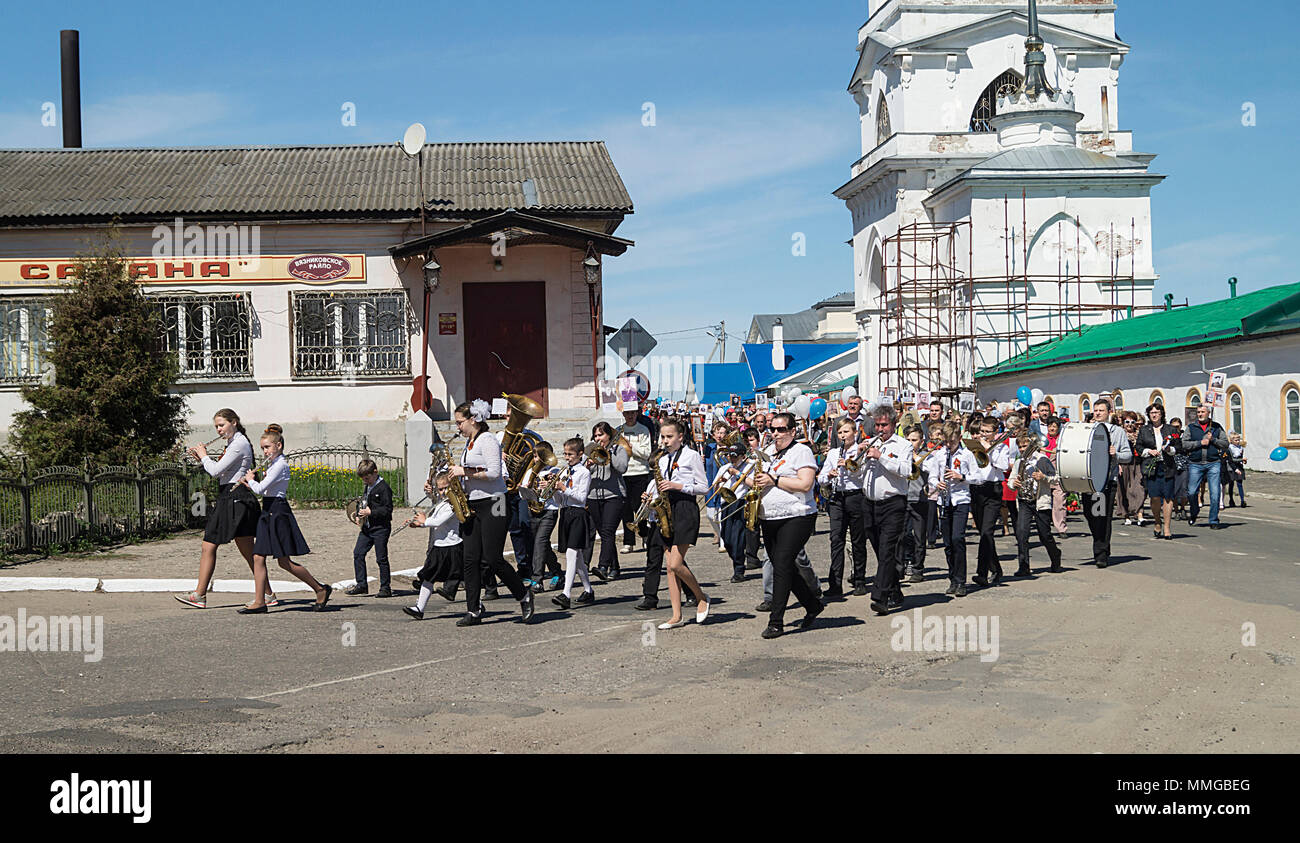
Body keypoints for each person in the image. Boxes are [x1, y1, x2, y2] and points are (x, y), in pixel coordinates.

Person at [448, 399, 535, 626]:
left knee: (493, 558)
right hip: (474, 503)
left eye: (460, 422)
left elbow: (495, 473)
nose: (457, 427)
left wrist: (463, 472)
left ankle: (523, 595)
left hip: (495, 502)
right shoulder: (470, 443)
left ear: (473, 419)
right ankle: (473, 610)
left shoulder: (487, 440)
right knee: (470, 558)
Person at [233, 424, 332, 613]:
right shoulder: (272, 465)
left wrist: (250, 479)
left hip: (278, 512)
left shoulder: (281, 465)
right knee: (258, 557)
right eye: (262, 448)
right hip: (267, 511)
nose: (264, 451)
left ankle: (320, 588)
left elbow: (261, 490)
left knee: (284, 562)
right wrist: (250, 483)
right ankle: (260, 601)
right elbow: (263, 489)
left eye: (267, 447)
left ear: (278, 446)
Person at [175, 408, 267, 609]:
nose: (218, 430)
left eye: (222, 425)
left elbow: (216, 472)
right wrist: (202, 459)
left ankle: (199, 594)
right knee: (247, 550)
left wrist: (203, 455)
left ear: (234, 422)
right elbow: (222, 471)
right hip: (234, 497)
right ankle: (267, 593)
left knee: (208, 544)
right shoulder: (234, 443)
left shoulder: (239, 443)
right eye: (216, 426)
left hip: (233, 498)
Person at [752, 412, 822, 638]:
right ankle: (812, 605)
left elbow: (805, 484)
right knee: (785, 567)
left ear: (793, 431)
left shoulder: (802, 451)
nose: (775, 434)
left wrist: (775, 481)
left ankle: (776, 621)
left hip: (797, 515)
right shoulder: (769, 452)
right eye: (773, 429)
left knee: (781, 563)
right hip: (769, 516)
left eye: (781, 429)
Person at [639, 419, 711, 628]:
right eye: (663, 437)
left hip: (685, 510)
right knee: (670, 569)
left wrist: (677, 485)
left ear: (681, 437)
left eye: (670, 437)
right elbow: (661, 486)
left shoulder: (692, 456)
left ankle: (701, 597)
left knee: (675, 564)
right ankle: (676, 615)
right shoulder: (662, 460)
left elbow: (703, 487)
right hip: (668, 510)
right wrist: (650, 496)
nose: (665, 441)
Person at [859, 404, 910, 614]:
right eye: (877, 425)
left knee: (887, 549)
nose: (880, 430)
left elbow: (907, 470)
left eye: (884, 425)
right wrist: (859, 456)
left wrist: (881, 457)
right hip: (869, 503)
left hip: (893, 503)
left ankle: (880, 597)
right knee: (881, 552)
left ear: (893, 424)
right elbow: (857, 473)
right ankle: (894, 589)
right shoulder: (870, 443)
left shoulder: (903, 445)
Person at [817, 417, 869, 598]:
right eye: (840, 432)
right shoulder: (833, 453)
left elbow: (863, 475)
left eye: (846, 431)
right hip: (838, 497)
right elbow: (821, 477)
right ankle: (835, 583)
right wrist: (829, 475)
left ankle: (860, 579)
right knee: (836, 539)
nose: (843, 435)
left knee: (857, 540)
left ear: (855, 432)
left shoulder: (861, 450)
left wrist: (849, 466)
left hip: (856, 496)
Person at [924, 422, 975, 596]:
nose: (948, 445)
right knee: (947, 544)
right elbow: (931, 476)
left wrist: (961, 476)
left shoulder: (967, 455)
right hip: (944, 501)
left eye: (952, 442)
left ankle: (961, 581)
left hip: (961, 500)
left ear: (959, 438)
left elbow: (978, 477)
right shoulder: (939, 455)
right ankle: (952, 578)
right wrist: (936, 483)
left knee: (957, 539)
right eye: (946, 442)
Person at [404, 473, 464, 616]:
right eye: (440, 489)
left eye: (445, 489)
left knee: (464, 578)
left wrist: (423, 521)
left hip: (453, 547)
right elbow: (433, 520)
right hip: (439, 547)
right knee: (428, 577)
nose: (442, 492)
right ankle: (419, 608)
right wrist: (417, 524)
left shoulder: (454, 504)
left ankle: (477, 606)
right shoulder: (441, 503)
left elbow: (437, 522)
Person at [1084, 398, 1133, 567]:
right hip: (1087, 480)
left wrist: (1116, 454)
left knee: (1102, 517)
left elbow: (1128, 455)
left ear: (1109, 412)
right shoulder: (1087, 429)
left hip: (1106, 480)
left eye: (1101, 410)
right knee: (1090, 515)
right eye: (1095, 410)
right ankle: (1101, 543)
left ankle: (1101, 554)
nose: (1097, 413)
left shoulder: (1117, 432)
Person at [1007, 431, 1063, 574]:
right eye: (1019, 446)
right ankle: (1024, 566)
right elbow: (1010, 481)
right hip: (1024, 501)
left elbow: (1056, 478)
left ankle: (1055, 555)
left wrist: (1043, 477)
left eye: (1025, 446)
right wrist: (1015, 483)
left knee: (1044, 535)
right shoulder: (1019, 462)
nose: (1022, 449)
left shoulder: (1042, 459)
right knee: (1021, 533)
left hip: (1040, 502)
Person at [552, 437, 597, 610]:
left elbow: (580, 498)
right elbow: (560, 500)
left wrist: (564, 488)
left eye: (570, 454)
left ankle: (566, 594)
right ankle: (588, 590)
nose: (567, 457)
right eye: (565, 454)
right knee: (576, 557)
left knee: (571, 553)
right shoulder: (565, 472)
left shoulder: (584, 473)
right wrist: (555, 490)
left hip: (578, 514)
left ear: (580, 454)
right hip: (565, 513)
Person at [967, 417, 1012, 587]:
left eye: (987, 432)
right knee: (983, 532)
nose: (984, 435)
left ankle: (981, 573)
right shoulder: (974, 445)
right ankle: (996, 569)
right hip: (977, 489)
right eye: (982, 432)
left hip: (993, 490)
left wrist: (989, 450)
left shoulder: (1002, 448)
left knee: (987, 532)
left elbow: (1003, 466)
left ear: (995, 432)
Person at [585, 422, 630, 581]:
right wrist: (587, 465)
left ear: (609, 436)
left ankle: (603, 566)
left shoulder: (619, 450)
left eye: (601, 435)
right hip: (593, 497)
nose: (598, 438)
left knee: (608, 531)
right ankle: (615, 567)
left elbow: (622, 468)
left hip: (614, 495)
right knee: (604, 534)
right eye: (596, 435)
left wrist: (609, 455)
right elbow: (582, 473)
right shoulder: (590, 451)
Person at [343, 459, 394, 597]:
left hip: (380, 528)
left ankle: (385, 587)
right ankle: (361, 584)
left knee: (381, 558)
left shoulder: (384, 488)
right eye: (363, 479)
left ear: (375, 472)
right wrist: (360, 514)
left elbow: (388, 510)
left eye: (368, 478)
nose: (366, 481)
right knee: (358, 554)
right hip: (367, 528)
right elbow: (364, 501)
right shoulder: (368, 486)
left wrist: (371, 512)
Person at [1136, 402, 1180, 541]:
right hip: (1151, 467)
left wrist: (1170, 450)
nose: (1154, 415)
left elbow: (1179, 446)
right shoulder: (1144, 430)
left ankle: (1167, 527)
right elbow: (1138, 447)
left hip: (1167, 466)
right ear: (1149, 415)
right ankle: (1157, 521)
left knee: (1168, 497)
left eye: (1157, 412)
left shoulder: (1171, 429)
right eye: (1152, 413)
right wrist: (1148, 451)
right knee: (1155, 497)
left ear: (1162, 414)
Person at [1182, 404, 1229, 530]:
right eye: (1198, 412)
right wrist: (1200, 443)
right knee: (1191, 492)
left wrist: (1213, 440)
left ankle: (1213, 519)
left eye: (1203, 412)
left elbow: (1225, 444)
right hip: (1195, 463)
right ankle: (1194, 511)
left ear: (1208, 413)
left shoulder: (1216, 427)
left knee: (1215, 493)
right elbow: (1184, 444)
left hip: (1213, 462)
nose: (1200, 414)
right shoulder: (1191, 427)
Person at [898, 425, 931, 584]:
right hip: (903, 497)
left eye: (914, 440)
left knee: (919, 536)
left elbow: (929, 469)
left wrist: (916, 458)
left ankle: (918, 569)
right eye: (908, 440)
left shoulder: (926, 455)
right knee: (902, 535)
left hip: (919, 499)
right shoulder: (901, 454)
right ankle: (902, 564)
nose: (911, 443)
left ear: (921, 441)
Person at [618, 408, 654, 554]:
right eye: (627, 413)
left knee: (640, 507)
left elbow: (647, 453)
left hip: (640, 472)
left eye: (633, 413)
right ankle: (628, 542)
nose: (630, 416)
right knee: (625, 509)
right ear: (623, 415)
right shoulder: (619, 431)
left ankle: (644, 536)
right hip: (624, 473)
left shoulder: (643, 429)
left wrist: (631, 448)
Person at [702, 421, 730, 554]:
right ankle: (719, 534)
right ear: (713, 434)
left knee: (721, 515)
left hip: (724, 484)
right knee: (710, 514)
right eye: (717, 432)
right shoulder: (708, 448)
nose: (720, 435)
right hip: (710, 483)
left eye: (723, 432)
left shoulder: (729, 449)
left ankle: (723, 541)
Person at [1116, 412, 1147, 526]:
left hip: (1137, 463)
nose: (1129, 425)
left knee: (1139, 488)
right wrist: (1117, 464)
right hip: (1123, 464)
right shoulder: (1119, 434)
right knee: (1123, 490)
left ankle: (1140, 514)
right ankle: (1126, 515)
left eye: (1132, 422)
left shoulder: (1140, 434)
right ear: (1123, 423)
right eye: (1127, 422)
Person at [1044, 416, 1068, 538]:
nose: (1052, 428)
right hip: (1043, 475)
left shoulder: (1062, 440)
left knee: (1059, 502)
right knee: (1043, 502)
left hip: (1058, 474)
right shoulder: (1043, 439)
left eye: (1054, 426)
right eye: (1050, 426)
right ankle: (1044, 527)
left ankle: (1061, 528)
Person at [1169, 417, 1190, 520]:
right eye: (1173, 427)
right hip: (1172, 464)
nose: (1175, 429)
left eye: (1177, 426)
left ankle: (1183, 508)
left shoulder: (1184, 435)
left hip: (1184, 463)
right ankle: (1176, 510)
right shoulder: (1169, 436)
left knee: (1184, 487)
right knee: (1174, 488)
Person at [1224, 433, 1247, 507]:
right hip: (1231, 467)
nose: (1238, 441)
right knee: (1231, 484)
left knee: (1240, 484)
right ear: (1231, 441)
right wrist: (1241, 459)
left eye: (1238, 440)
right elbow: (1232, 460)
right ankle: (1231, 499)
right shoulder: (1229, 449)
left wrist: (1243, 461)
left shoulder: (1240, 448)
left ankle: (1242, 500)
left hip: (1239, 466)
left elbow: (1241, 457)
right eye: (1236, 440)